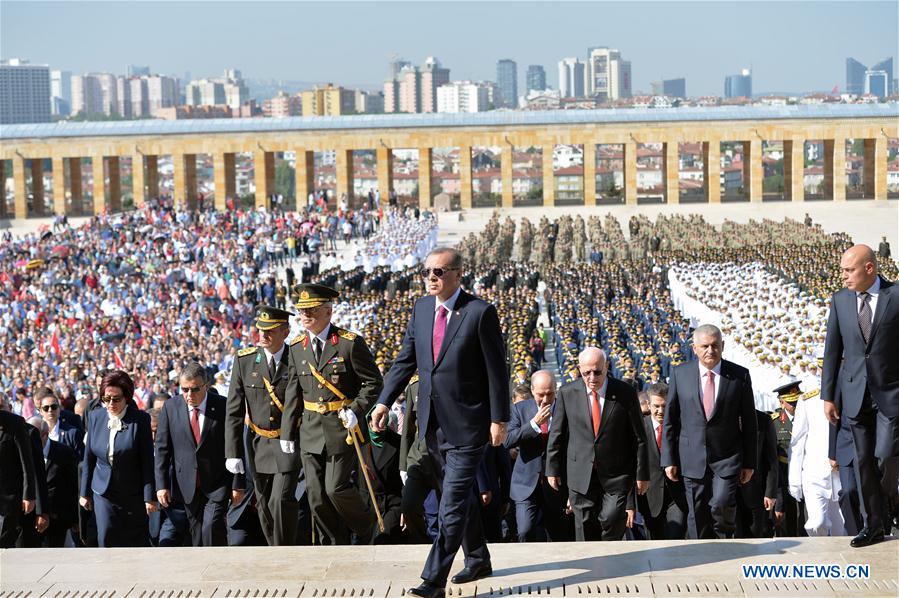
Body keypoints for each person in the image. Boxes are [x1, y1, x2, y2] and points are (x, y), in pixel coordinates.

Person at [370, 247, 510, 598]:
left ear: (458, 274)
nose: (431, 278)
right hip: (432, 425)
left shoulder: (479, 312)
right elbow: (405, 360)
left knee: (451, 504)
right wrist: (384, 400)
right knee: (460, 499)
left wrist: (499, 419)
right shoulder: (420, 309)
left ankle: (433, 581)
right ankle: (477, 557)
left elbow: (498, 372)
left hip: (469, 426)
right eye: (427, 272)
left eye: (439, 272)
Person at [279, 283, 383, 545]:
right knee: (315, 495)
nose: (304, 316)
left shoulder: (349, 343)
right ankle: (335, 542)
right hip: (311, 429)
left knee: (335, 488)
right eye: (302, 311)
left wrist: (356, 410)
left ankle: (366, 526)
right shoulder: (297, 347)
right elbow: (294, 392)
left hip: (341, 428)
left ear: (327, 312)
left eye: (311, 311)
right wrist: (287, 430)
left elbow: (373, 383)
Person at [821, 244, 899, 547]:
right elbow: (832, 350)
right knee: (864, 461)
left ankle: (887, 506)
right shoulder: (840, 301)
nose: (843, 276)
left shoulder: (895, 296)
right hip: (854, 394)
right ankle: (874, 525)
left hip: (890, 394)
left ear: (869, 268)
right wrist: (828, 396)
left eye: (849, 270)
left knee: (884, 456)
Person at [661, 324, 757, 540]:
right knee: (697, 513)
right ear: (694, 348)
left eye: (715, 345)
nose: (710, 351)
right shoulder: (680, 374)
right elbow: (670, 420)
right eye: (704, 346)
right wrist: (668, 459)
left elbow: (750, 422)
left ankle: (725, 547)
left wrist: (750, 463)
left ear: (722, 346)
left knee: (722, 504)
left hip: (727, 457)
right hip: (692, 457)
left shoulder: (739, 375)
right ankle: (701, 554)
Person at [546, 347, 649, 542]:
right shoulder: (567, 393)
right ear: (579, 369)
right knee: (584, 526)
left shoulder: (625, 393)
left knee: (612, 518)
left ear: (607, 366)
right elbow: (557, 433)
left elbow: (639, 438)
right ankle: (594, 569)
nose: (592, 377)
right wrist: (552, 469)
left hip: (616, 473)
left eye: (597, 371)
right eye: (586, 373)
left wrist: (642, 474)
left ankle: (611, 559)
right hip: (579, 472)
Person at [225, 305, 301, 546]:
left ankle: (284, 551)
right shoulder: (245, 361)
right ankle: (275, 550)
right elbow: (235, 410)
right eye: (260, 330)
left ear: (285, 332)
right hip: (257, 443)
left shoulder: (297, 359)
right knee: (265, 503)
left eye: (270, 330)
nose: (263, 335)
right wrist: (232, 452)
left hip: (287, 441)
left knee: (281, 500)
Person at [155, 363, 240, 546]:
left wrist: (237, 484)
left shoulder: (223, 406)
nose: (189, 395)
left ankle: (215, 570)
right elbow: (162, 449)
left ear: (206, 386)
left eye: (195, 389)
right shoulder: (171, 407)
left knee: (211, 526)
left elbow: (235, 447)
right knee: (196, 533)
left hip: (217, 482)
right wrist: (161, 485)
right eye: (184, 389)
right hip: (187, 483)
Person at [79, 370, 157, 547]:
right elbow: (89, 457)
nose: (111, 404)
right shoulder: (95, 417)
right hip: (103, 492)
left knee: (134, 541)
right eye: (106, 399)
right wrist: (84, 493)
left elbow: (147, 461)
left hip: (133, 493)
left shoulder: (140, 420)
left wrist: (149, 496)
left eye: (116, 399)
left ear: (127, 397)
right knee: (106, 536)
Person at [504, 370, 569, 542]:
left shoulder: (566, 408)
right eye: (541, 395)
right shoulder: (519, 409)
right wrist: (534, 424)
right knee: (524, 531)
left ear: (556, 389)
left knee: (558, 535)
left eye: (550, 394)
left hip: (556, 482)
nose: (546, 399)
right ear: (532, 390)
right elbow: (507, 440)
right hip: (526, 483)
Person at [789, 386, 845, 537]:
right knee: (817, 522)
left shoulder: (849, 393)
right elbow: (797, 442)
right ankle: (819, 554)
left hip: (841, 474)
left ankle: (837, 559)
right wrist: (794, 480)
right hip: (815, 473)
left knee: (842, 529)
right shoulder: (808, 400)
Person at [637, 382, 687, 540]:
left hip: (677, 495)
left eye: (665, 406)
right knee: (654, 543)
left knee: (675, 536)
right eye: (656, 406)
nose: (660, 411)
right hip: (649, 497)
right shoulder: (639, 427)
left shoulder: (682, 427)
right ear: (648, 404)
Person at [36, 418, 79, 547]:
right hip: (31, 518)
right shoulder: (25, 451)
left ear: (45, 435)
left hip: (57, 519)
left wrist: (76, 519)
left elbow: (73, 485)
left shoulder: (63, 452)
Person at [0, 407, 37, 548]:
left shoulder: (14, 423)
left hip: (7, 499)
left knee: (3, 543)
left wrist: (28, 495)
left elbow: (26, 462)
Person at [770, 380, 802, 537]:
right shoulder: (774, 422)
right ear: (782, 402)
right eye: (791, 403)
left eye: (797, 401)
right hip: (784, 472)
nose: (795, 405)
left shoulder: (807, 415)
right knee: (787, 513)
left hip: (804, 469)